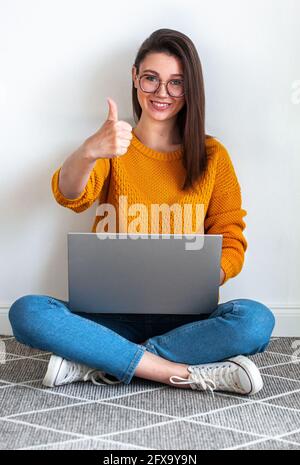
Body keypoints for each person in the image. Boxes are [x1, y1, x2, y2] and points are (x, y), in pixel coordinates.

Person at [9, 28, 275, 395]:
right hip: (111, 317)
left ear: (190, 88)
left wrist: (206, 276)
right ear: (135, 77)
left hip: (187, 320)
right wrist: (89, 150)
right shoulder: (112, 148)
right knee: (27, 312)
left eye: (176, 83)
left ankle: (98, 361)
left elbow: (231, 234)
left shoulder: (214, 157)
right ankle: (175, 371)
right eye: (151, 79)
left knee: (256, 321)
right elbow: (69, 194)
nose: (162, 93)